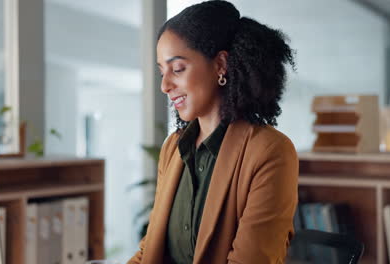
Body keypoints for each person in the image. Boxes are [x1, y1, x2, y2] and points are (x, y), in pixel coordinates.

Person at [128, 1, 298, 263]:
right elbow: (148, 250)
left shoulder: (269, 152)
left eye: (177, 69)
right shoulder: (173, 148)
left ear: (220, 65)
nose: (164, 85)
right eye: (162, 71)